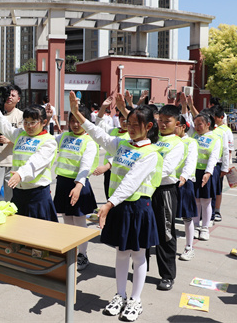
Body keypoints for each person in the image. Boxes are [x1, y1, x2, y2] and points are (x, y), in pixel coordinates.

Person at [69, 91, 161, 322]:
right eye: (128, 123)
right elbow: (99, 134)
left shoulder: (150, 153)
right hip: (119, 206)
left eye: (135, 124)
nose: (130, 128)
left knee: (138, 255)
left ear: (149, 126)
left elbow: (131, 183)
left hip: (138, 207)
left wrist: (108, 205)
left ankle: (135, 300)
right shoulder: (122, 144)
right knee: (121, 253)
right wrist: (78, 114)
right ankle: (120, 295)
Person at [0, 82, 58, 222]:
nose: (28, 126)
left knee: (39, 235)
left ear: (43, 122)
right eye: (26, 122)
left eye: (33, 122)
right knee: (17, 232)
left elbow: (36, 161)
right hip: (18, 193)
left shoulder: (49, 141)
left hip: (37, 194)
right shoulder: (20, 134)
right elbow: (2, 123)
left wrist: (20, 174)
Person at [53, 104, 99, 271]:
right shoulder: (64, 136)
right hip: (63, 183)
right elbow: (47, 143)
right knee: (67, 220)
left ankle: (83, 255)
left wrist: (78, 185)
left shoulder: (89, 142)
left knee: (79, 221)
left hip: (79, 184)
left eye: (79, 121)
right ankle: (70, 251)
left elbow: (85, 165)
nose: (75, 124)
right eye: (72, 121)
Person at [151, 105, 184, 291]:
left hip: (164, 191)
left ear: (176, 123)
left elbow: (166, 169)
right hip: (147, 189)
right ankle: (140, 267)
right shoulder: (152, 138)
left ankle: (167, 275)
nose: (162, 124)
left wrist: (143, 175)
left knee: (166, 233)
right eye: (160, 120)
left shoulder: (177, 143)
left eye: (167, 121)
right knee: (145, 229)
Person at [92, 94, 130, 199]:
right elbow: (99, 123)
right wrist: (103, 107)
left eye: (127, 120)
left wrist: (106, 166)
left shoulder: (132, 136)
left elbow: (123, 154)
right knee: (109, 197)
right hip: (109, 172)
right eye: (122, 119)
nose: (124, 122)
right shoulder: (114, 131)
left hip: (122, 171)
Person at [191, 112, 221, 242]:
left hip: (207, 173)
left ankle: (205, 228)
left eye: (200, 124)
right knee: (196, 200)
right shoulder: (194, 136)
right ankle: (196, 226)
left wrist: (208, 173)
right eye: (195, 124)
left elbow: (213, 157)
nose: (197, 127)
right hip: (194, 172)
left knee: (206, 201)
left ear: (208, 124)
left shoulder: (215, 138)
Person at [174, 116, 198, 261]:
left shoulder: (191, 142)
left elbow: (191, 161)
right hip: (168, 183)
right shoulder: (168, 140)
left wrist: (183, 176)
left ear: (183, 126)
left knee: (187, 217)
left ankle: (189, 247)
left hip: (184, 183)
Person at [211, 105, 231, 222]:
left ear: (221, 118)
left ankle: (217, 210)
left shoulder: (225, 131)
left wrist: (225, 167)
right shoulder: (208, 129)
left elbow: (228, 150)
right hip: (207, 164)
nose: (213, 119)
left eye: (215, 117)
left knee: (217, 189)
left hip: (219, 165)